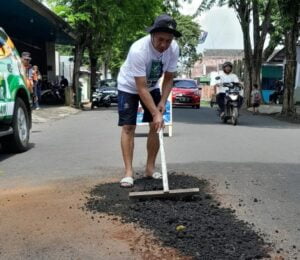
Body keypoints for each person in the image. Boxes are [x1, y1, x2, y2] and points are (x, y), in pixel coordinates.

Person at [117, 14, 181, 188]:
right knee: (129, 127)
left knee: (156, 125)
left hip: (152, 87)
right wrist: (155, 112)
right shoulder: (138, 50)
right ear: (152, 35)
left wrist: (162, 103)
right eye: (160, 39)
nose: (164, 45)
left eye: (168, 40)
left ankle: (150, 169)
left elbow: (168, 78)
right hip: (129, 86)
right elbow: (140, 87)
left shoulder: (174, 48)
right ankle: (128, 173)